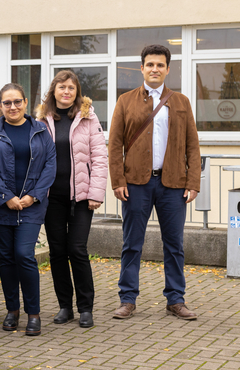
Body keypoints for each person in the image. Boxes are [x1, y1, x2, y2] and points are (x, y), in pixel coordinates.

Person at [108, 44, 201, 320]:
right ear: (141, 68)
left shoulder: (181, 101)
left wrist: (193, 182)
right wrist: (118, 180)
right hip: (136, 183)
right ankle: (127, 299)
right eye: (150, 64)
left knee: (174, 244)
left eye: (160, 65)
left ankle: (176, 299)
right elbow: (114, 145)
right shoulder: (125, 101)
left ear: (168, 69)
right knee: (131, 243)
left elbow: (192, 146)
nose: (155, 69)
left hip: (173, 184)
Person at [0, 83, 55, 336]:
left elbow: (50, 167)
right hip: (0, 206)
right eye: (7, 103)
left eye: (17, 102)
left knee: (24, 255)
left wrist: (33, 196)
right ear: (0, 106)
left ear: (25, 102)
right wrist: (6, 196)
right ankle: (12, 311)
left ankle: (33, 313)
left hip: (31, 206)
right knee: (6, 260)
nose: (12, 107)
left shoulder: (40, 129)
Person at [36, 71, 107, 328]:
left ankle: (85, 307)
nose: (66, 92)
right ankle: (65, 306)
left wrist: (96, 194)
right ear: (53, 91)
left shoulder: (88, 117)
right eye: (62, 87)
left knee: (77, 249)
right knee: (57, 252)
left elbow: (100, 158)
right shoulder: (41, 119)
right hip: (51, 197)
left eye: (71, 88)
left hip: (81, 198)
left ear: (77, 92)